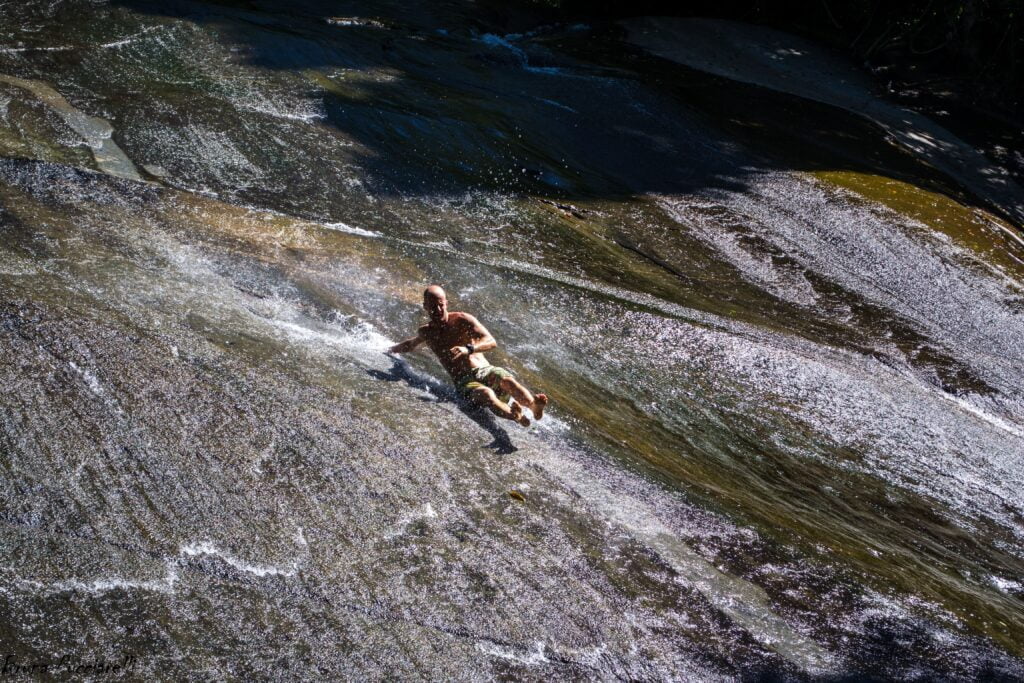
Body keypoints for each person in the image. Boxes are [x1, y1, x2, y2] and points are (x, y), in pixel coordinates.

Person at [388, 285, 547, 427]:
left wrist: (468, 348)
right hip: (464, 381)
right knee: (486, 394)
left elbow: (491, 341)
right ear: (425, 307)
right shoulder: (427, 332)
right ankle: (516, 417)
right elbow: (411, 344)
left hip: (485, 370)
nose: (437, 311)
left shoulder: (463, 320)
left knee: (506, 380)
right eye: (432, 307)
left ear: (446, 304)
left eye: (441, 305)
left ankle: (533, 406)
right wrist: (390, 349)